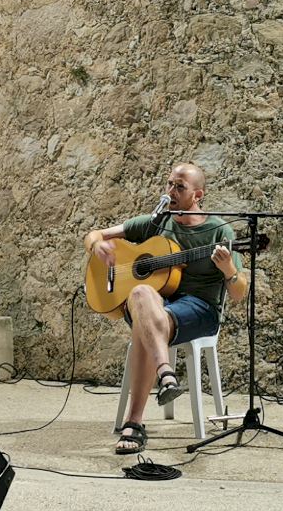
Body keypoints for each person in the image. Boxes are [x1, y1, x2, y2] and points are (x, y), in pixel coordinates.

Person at [83, 162, 249, 454]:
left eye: (179, 187)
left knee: (144, 325)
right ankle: (166, 374)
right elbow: (94, 234)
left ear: (197, 195)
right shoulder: (157, 222)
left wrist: (228, 270)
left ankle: (134, 423)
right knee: (140, 292)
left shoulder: (218, 231)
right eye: (170, 183)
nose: (171, 190)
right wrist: (97, 247)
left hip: (199, 309)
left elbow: (238, 293)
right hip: (156, 305)